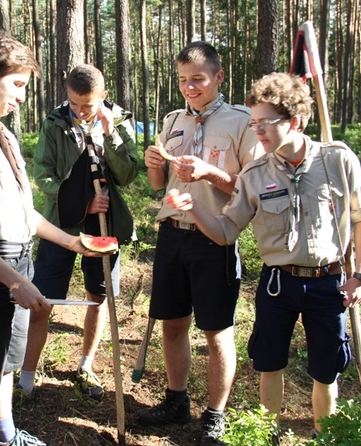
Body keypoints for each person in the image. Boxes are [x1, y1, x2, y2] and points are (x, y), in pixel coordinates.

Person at [164, 72, 361, 440]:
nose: (257, 131)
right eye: (254, 123)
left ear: (293, 122)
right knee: (269, 362)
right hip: (278, 284)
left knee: (326, 369)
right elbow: (225, 231)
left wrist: (360, 274)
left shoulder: (338, 161)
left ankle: (323, 434)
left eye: (265, 124)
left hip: (329, 283)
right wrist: (193, 209)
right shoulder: (254, 174)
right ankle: (269, 434)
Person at [0, 36, 102, 446]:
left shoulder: (0, 134)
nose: (23, 98)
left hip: (18, 263)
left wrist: (70, 241)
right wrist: (14, 281)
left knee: (7, 361)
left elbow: (24, 213)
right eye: (19, 85)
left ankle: (5, 435)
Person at [138, 41, 262, 445]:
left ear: (218, 78)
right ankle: (177, 401)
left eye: (198, 80)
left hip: (215, 237)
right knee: (173, 324)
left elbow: (250, 189)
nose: (189, 88)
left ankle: (215, 415)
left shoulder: (242, 122)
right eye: (182, 81)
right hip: (173, 234)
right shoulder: (173, 120)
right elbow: (161, 185)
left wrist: (210, 172)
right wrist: (154, 166)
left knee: (217, 331)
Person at [16, 64, 139, 402]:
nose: (80, 111)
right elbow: (43, 174)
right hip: (61, 224)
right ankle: (26, 376)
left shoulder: (119, 121)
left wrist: (110, 135)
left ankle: (85, 365)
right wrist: (83, 201)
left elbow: (129, 175)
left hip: (105, 224)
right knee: (43, 300)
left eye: (87, 105)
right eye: (74, 104)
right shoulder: (55, 123)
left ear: (103, 96)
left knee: (97, 297)